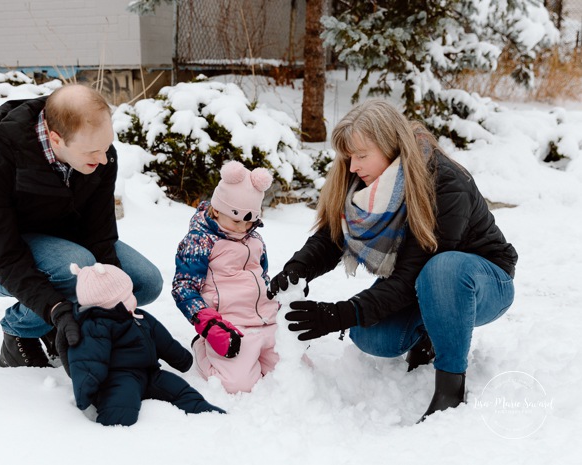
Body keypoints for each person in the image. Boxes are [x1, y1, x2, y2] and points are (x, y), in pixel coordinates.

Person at [267, 99, 517, 422]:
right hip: (421, 282)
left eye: (361, 155)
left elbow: (410, 277)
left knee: (441, 271)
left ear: (389, 146)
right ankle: (432, 331)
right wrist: (296, 270)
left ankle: (450, 389)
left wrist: (337, 315)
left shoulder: (445, 184)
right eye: (348, 157)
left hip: (481, 281)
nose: (353, 166)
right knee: (370, 335)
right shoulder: (367, 182)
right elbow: (332, 238)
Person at [0, 84, 163, 368]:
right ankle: (20, 331)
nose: (103, 159)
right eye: (93, 151)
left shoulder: (99, 155)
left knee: (143, 282)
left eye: (106, 146)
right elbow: (4, 255)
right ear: (55, 138)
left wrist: (113, 303)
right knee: (75, 268)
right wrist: (56, 309)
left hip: (64, 245)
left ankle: (61, 322)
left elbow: (99, 235)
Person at [64, 262, 224, 426]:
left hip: (151, 373)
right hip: (119, 378)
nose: (134, 300)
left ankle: (207, 414)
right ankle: (112, 437)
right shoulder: (95, 327)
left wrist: (181, 358)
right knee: (121, 408)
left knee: (180, 389)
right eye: (127, 298)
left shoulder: (138, 316)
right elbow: (88, 361)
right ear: (108, 305)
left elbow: (163, 340)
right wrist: (84, 393)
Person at [172, 161, 280, 393]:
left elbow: (263, 278)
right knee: (239, 385)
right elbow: (184, 287)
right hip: (229, 325)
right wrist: (207, 324)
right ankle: (202, 347)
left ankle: (260, 352)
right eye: (236, 220)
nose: (243, 227)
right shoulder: (200, 240)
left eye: (249, 220)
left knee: (290, 372)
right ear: (218, 209)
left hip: (266, 321)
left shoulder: (256, 239)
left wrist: (279, 300)